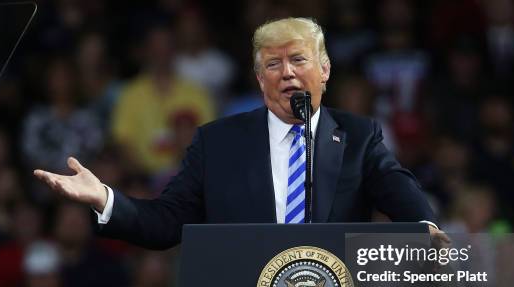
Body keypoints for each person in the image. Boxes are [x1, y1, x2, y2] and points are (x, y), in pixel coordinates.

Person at [34, 17, 447, 250]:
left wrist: (425, 226)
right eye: (273, 64)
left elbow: (401, 194)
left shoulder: (358, 136)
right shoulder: (219, 144)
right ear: (258, 79)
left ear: (324, 71)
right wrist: (105, 198)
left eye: (298, 60)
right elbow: (165, 222)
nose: (286, 73)